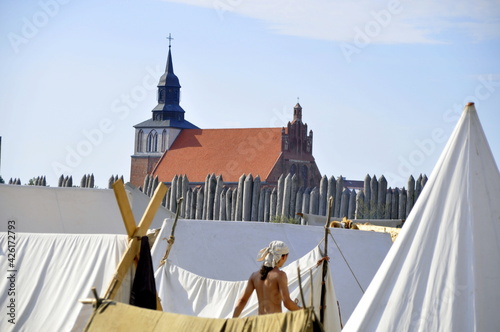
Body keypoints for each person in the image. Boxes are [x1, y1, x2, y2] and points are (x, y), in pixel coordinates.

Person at [232, 240, 301, 318]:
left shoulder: (254, 276)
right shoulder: (280, 275)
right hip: (274, 323)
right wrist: (302, 310)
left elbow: (242, 301)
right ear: (283, 257)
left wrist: (232, 321)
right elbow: (287, 303)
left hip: (260, 323)